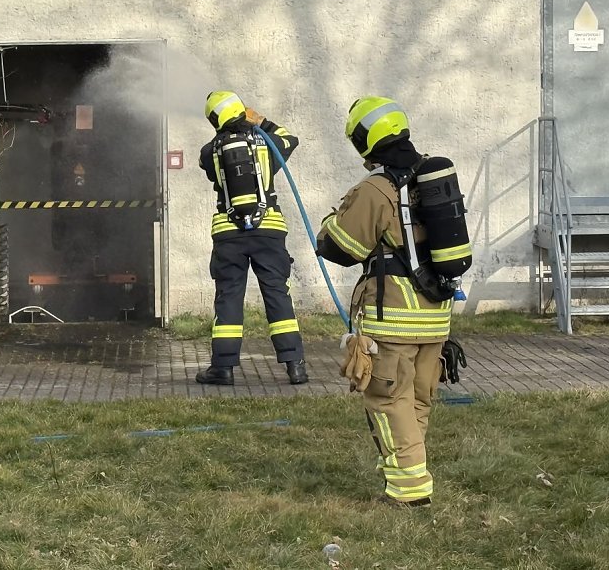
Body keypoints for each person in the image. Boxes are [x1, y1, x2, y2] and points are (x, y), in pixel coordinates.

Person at [316, 96, 458, 507]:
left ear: (365, 141)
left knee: (387, 400)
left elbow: (342, 247)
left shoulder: (377, 189)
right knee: (415, 400)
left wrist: (329, 223)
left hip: (393, 317)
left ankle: (410, 490)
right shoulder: (431, 178)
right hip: (435, 317)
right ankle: (406, 474)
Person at [195, 91, 307, 386]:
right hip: (269, 230)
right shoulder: (266, 144)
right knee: (277, 294)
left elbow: (209, 169)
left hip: (228, 234)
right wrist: (262, 122)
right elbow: (290, 140)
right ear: (241, 111)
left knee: (229, 296)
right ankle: (295, 366)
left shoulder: (210, 152)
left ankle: (223, 368)